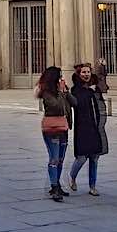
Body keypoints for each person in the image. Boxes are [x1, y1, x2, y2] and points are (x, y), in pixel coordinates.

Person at [69, 62, 109, 196]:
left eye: (88, 72)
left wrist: (101, 69)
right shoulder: (76, 89)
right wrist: (89, 91)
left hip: (96, 126)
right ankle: (72, 176)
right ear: (78, 74)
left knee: (95, 157)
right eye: (83, 72)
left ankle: (92, 186)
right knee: (81, 157)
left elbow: (103, 93)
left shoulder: (95, 87)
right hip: (83, 127)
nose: (86, 74)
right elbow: (78, 103)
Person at [36, 67, 74, 202]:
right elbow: (57, 107)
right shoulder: (46, 92)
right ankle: (54, 186)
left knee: (61, 158)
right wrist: (61, 93)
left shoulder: (62, 90)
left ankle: (57, 184)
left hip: (64, 126)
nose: (62, 79)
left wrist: (66, 92)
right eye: (60, 76)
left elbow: (74, 103)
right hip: (52, 128)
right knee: (54, 158)